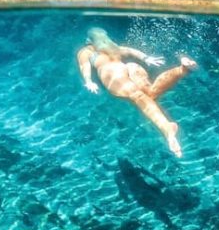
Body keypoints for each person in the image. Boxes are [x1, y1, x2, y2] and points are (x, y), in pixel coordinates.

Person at [77, 27, 197, 157]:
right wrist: (146, 58)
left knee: (138, 96)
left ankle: (167, 128)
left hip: (114, 77)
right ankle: (181, 70)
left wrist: (88, 80)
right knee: (151, 93)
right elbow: (130, 50)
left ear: (89, 40)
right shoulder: (114, 47)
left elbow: (85, 66)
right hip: (131, 68)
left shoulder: (86, 51)